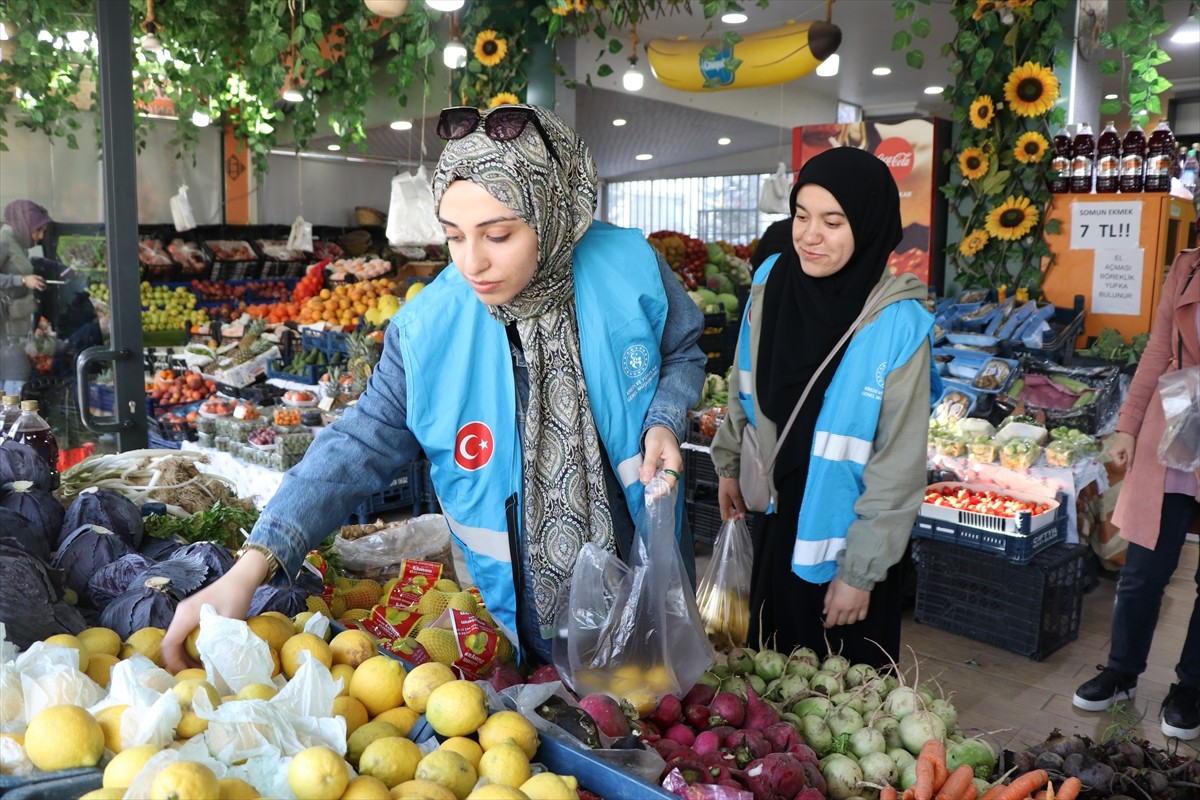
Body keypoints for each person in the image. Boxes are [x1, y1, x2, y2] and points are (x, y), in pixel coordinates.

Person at [162, 105, 706, 671]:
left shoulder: (630, 267)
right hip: (526, 614)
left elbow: (683, 350)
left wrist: (664, 416)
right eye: (453, 236)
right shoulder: (428, 333)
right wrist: (253, 566)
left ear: (552, 213)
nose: (473, 263)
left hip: (651, 571)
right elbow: (357, 446)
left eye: (498, 235)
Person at [710, 147, 937, 668]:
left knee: (840, 700)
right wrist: (728, 464)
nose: (810, 235)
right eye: (802, 215)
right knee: (767, 685)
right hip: (773, 518)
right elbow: (742, 382)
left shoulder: (899, 326)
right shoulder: (770, 281)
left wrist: (859, 574)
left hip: (844, 543)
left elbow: (897, 466)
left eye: (833, 221)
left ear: (869, 225)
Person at [1072, 246, 1199, 741]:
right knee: (1143, 570)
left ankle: (1191, 687)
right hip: (1179, 426)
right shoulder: (1189, 265)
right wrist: (1127, 426)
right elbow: (1157, 347)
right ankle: (1122, 672)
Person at [1, 201, 49, 397]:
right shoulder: (4, 240)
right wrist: (21, 280)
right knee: (15, 387)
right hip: (6, 334)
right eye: (38, 230)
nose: (40, 236)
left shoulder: (19, 243)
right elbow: (18, 279)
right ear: (24, 223)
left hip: (17, 331)